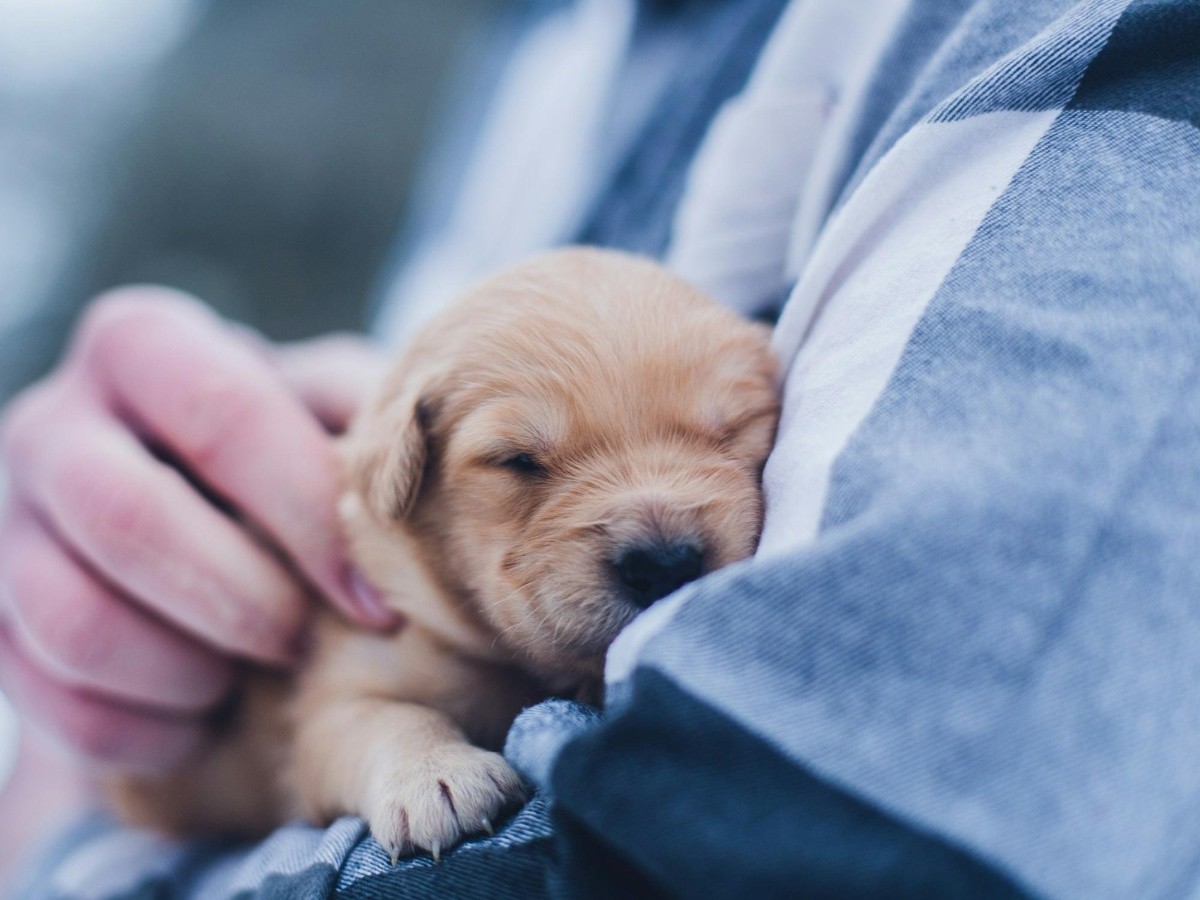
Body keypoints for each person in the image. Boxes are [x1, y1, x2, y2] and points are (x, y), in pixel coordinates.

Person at [4, 0, 1200, 897]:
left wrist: (61, 845)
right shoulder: (537, 47)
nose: (656, 526)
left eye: (731, 432)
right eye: (523, 465)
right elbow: (332, 728)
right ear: (397, 482)